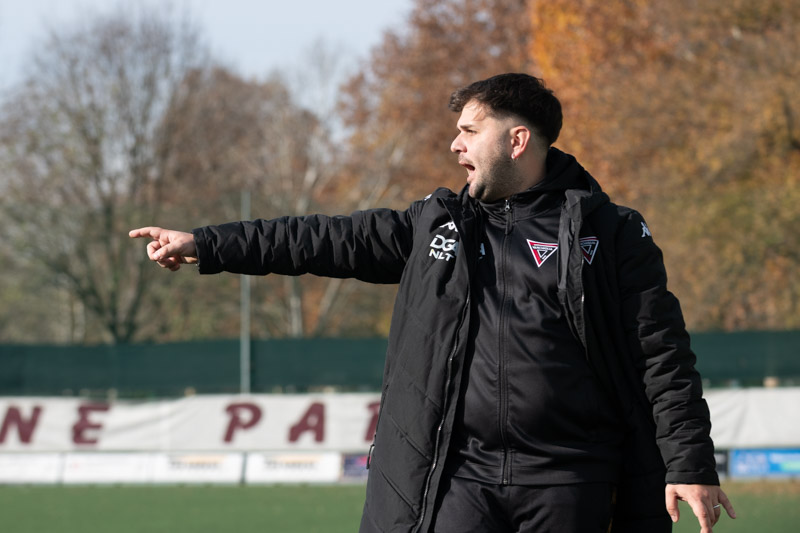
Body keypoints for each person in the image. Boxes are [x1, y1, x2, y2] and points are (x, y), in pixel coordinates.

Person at [130, 73, 735, 533]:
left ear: (517, 140)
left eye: (470, 131)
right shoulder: (433, 226)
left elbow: (663, 357)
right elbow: (317, 239)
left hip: (572, 479)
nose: (455, 145)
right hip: (455, 479)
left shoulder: (613, 231)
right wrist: (206, 244)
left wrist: (689, 463)